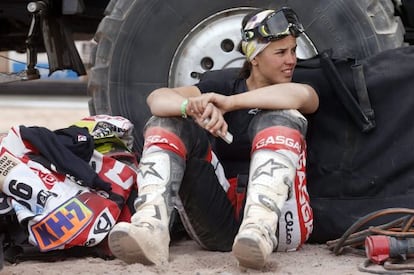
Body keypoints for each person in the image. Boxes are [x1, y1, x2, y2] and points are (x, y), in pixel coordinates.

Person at [108, 6, 319, 269]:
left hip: (282, 225)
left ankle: (259, 227)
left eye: (293, 50)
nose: (291, 60)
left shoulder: (299, 82)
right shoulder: (225, 81)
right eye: (281, 52)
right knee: (168, 120)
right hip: (220, 220)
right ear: (254, 57)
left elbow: (300, 98)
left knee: (281, 115)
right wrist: (194, 109)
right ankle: (150, 227)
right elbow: (157, 99)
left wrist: (228, 104)